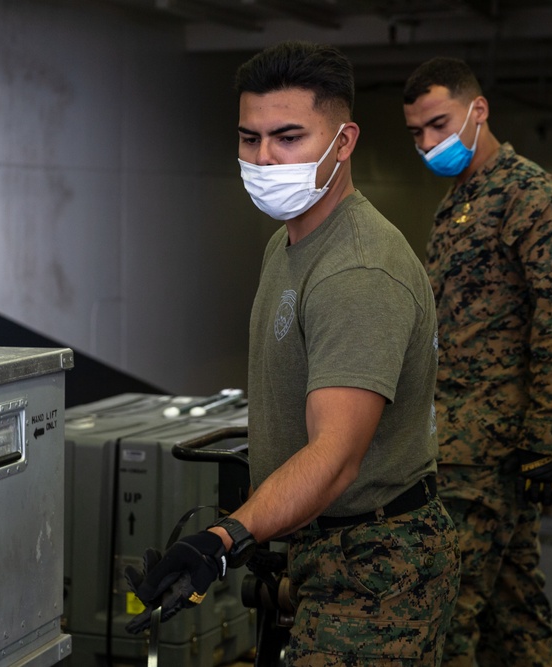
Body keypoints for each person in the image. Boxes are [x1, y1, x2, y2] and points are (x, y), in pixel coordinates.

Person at [125, 41, 460, 665]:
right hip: (318, 551)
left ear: (344, 141)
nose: (264, 158)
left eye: (288, 136)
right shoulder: (287, 246)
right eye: (250, 139)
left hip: (376, 567)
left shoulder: (356, 269)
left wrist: (223, 538)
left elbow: (335, 457)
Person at [402, 57, 552, 666]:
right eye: (417, 133)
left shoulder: (529, 195)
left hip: (490, 447)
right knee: (513, 614)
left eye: (438, 124)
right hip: (462, 438)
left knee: (446, 615)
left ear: (477, 110)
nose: (429, 143)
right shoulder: (462, 198)